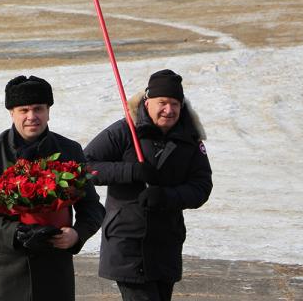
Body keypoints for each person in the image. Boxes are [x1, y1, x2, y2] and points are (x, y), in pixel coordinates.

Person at [0, 75, 105, 301]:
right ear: (12, 113)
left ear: (48, 111)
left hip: (52, 273)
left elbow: (92, 207)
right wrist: (17, 233)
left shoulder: (69, 150)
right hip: (1, 274)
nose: (32, 117)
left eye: (38, 109)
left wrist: (77, 234)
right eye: (24, 110)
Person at [84, 69, 212, 301]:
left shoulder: (190, 139)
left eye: (175, 103)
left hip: (166, 243)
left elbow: (201, 187)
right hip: (127, 241)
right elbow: (84, 167)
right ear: (147, 101)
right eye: (162, 102)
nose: (169, 110)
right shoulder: (124, 130)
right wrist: (130, 171)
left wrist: (167, 196)